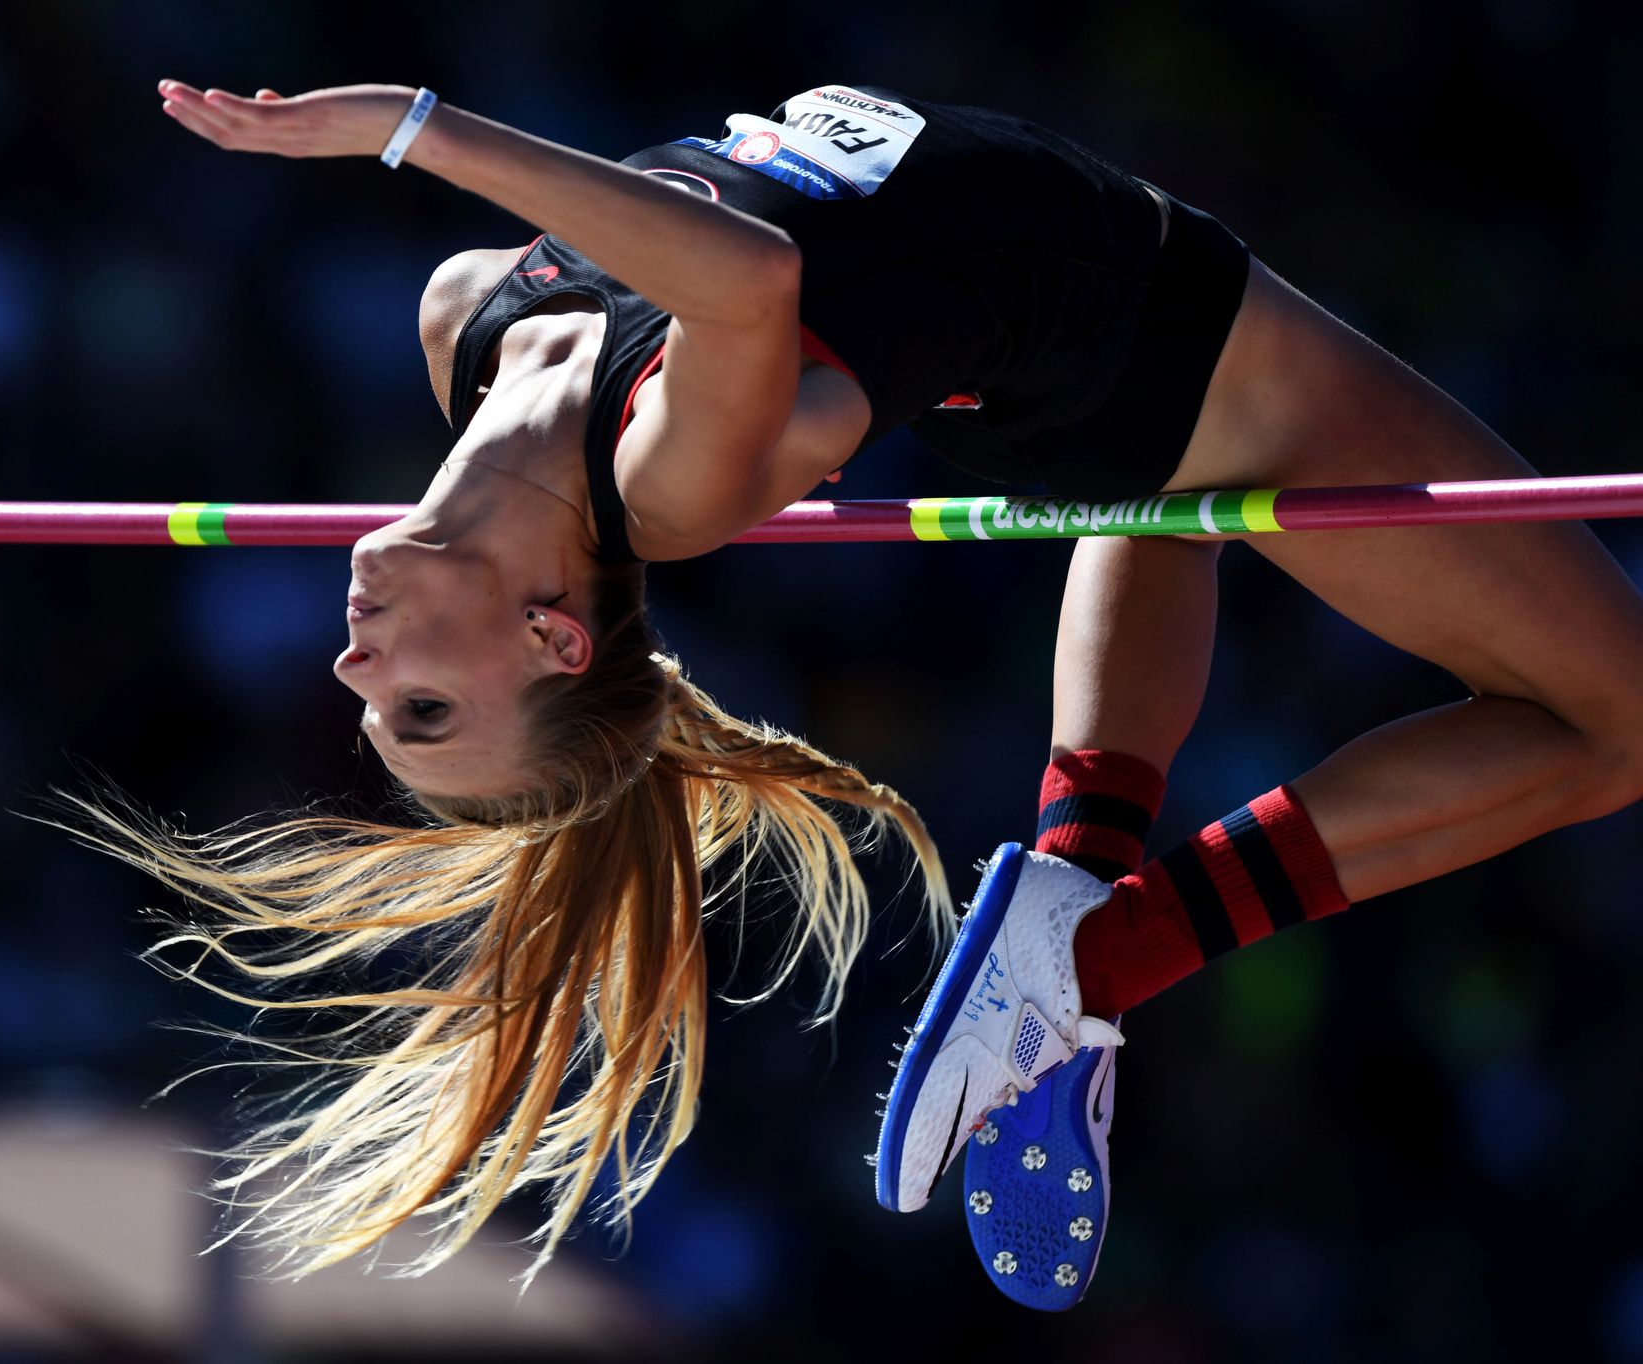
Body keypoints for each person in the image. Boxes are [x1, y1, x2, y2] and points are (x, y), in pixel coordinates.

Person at [91, 77, 1643, 1285]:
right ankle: (1105, 960)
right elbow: (749, 280)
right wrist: (409, 128)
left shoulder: (462, 323)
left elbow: (763, 288)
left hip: (1064, 348)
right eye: (418, 709)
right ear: (554, 641)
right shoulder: (666, 488)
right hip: (1154, 334)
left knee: (1159, 504)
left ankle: (1077, 905)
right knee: (1616, 723)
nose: (354, 668)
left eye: (376, 710)